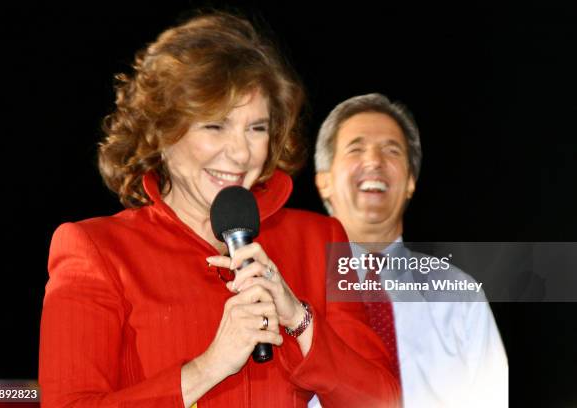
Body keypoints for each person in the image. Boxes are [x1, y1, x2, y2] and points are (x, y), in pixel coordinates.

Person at [39, 14, 400, 408]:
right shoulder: (97, 250)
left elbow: (382, 400)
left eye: (256, 128)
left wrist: (299, 320)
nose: (241, 153)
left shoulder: (319, 239)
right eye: (215, 126)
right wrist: (208, 368)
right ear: (162, 131)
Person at [312, 93, 508, 407]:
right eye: (356, 148)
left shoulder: (461, 297)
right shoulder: (290, 290)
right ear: (324, 182)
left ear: (410, 182)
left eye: (391, 150)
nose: (374, 161)